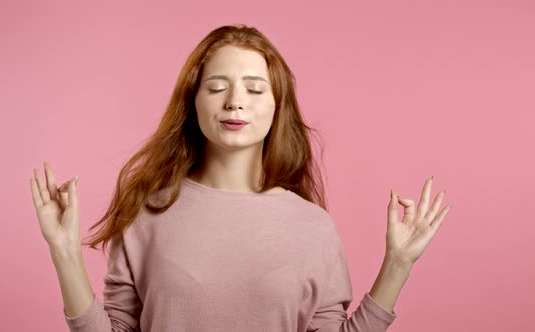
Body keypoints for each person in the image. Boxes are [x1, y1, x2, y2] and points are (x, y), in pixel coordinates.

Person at [29, 24, 453, 332]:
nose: (235, 102)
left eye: (254, 89)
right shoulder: (147, 214)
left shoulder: (314, 227)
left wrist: (398, 265)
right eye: (217, 87)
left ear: (276, 106)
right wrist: (64, 251)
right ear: (193, 103)